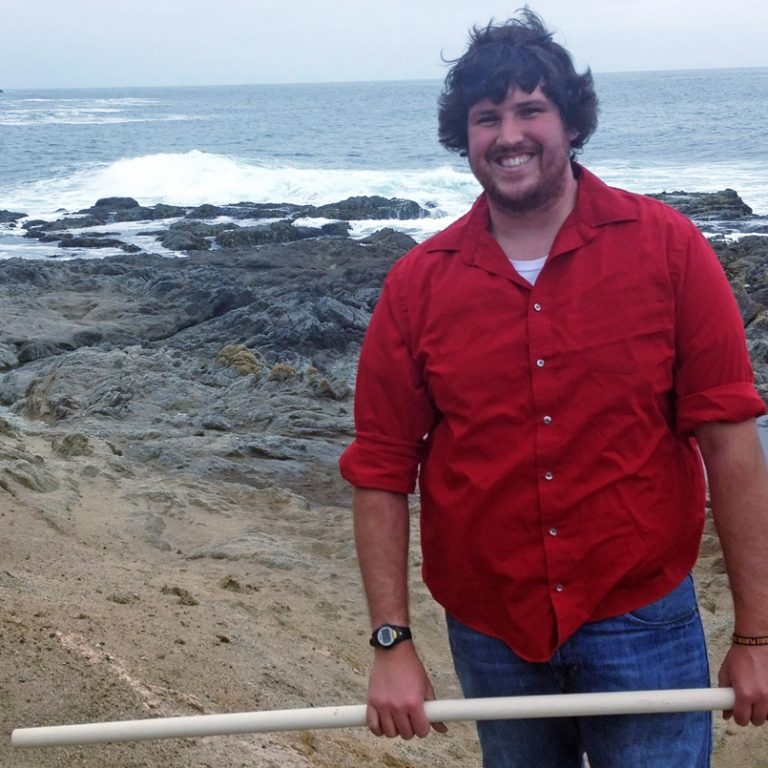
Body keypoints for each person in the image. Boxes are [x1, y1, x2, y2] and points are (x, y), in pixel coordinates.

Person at [339, 8, 768, 767]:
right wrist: (391, 643)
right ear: (463, 137)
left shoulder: (669, 250)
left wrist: (756, 635)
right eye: (486, 117)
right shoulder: (417, 284)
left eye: (531, 109)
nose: (509, 135)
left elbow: (730, 441)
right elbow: (379, 468)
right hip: (491, 631)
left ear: (571, 123)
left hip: (642, 619)